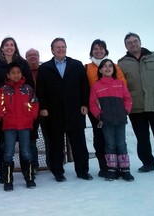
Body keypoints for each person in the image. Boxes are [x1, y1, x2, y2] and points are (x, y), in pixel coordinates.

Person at [36, 37, 92, 182]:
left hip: (75, 110)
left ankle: (82, 171)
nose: (61, 49)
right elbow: (40, 90)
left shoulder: (77, 65)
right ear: (52, 50)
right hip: (54, 112)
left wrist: (85, 104)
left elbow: (84, 86)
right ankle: (58, 172)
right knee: (56, 144)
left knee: (79, 143)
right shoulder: (45, 68)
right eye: (57, 47)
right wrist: (43, 107)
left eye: (63, 46)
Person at [118, 32, 154, 176]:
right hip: (136, 106)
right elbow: (120, 83)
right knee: (142, 137)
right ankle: (147, 163)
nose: (133, 44)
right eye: (129, 43)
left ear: (140, 42)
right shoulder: (122, 63)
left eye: (135, 41)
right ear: (125, 45)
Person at [0, 37, 34, 183]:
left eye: (12, 45)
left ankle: (28, 173)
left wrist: (30, 112)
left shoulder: (23, 63)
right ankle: (5, 174)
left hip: (23, 115)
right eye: (6, 45)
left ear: (15, 48)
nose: (9, 47)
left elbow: (31, 88)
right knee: (4, 145)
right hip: (5, 115)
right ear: (2, 48)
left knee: (25, 145)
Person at [0, 63, 39, 191]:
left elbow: (34, 103)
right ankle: (8, 180)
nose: (15, 75)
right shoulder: (3, 90)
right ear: (8, 75)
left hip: (25, 126)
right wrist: (2, 115)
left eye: (18, 72)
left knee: (26, 151)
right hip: (9, 126)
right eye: (12, 73)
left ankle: (29, 178)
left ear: (22, 74)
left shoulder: (28, 89)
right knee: (8, 152)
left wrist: (31, 116)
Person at [85, 39, 127, 177]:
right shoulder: (87, 68)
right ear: (91, 51)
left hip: (115, 109)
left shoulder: (114, 66)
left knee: (118, 140)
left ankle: (122, 167)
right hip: (97, 109)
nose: (98, 51)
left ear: (106, 50)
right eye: (95, 48)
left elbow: (123, 85)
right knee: (100, 138)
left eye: (101, 48)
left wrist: (124, 109)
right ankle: (106, 167)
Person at [89, 59, 134, 181]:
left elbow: (128, 99)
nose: (108, 68)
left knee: (121, 144)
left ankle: (125, 170)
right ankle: (112, 169)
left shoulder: (120, 83)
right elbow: (92, 104)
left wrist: (125, 111)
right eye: (105, 66)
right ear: (100, 70)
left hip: (120, 119)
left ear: (113, 69)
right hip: (106, 121)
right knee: (110, 145)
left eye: (110, 66)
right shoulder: (96, 86)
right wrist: (99, 115)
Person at [25, 48, 50, 171]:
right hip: (29, 110)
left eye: (35, 55)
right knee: (31, 139)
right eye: (29, 55)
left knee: (49, 136)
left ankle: (52, 164)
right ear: (26, 58)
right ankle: (33, 165)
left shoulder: (45, 70)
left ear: (39, 57)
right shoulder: (23, 72)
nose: (32, 57)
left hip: (45, 108)